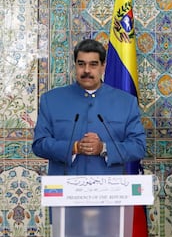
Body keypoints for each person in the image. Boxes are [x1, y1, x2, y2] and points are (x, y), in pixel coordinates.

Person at [32, 38, 146, 175]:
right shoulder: (51, 100)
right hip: (64, 189)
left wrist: (103, 148)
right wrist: (74, 147)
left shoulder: (126, 102)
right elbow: (39, 144)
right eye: (81, 64)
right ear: (75, 65)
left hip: (110, 190)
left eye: (93, 65)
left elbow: (138, 147)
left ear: (103, 66)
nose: (86, 70)